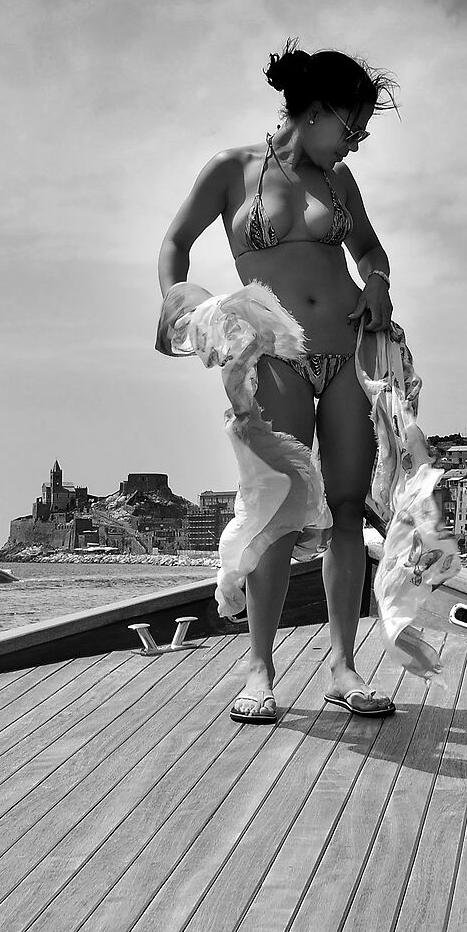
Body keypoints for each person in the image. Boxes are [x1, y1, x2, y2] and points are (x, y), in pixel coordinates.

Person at [158, 42, 399, 724]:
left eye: (362, 132)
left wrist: (377, 282)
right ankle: (259, 671)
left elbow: (371, 251)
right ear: (314, 111)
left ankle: (343, 668)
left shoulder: (339, 183)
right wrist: (176, 299)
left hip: (348, 354)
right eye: (350, 127)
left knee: (348, 512)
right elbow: (175, 243)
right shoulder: (231, 170)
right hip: (275, 359)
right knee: (277, 513)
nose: (356, 142)